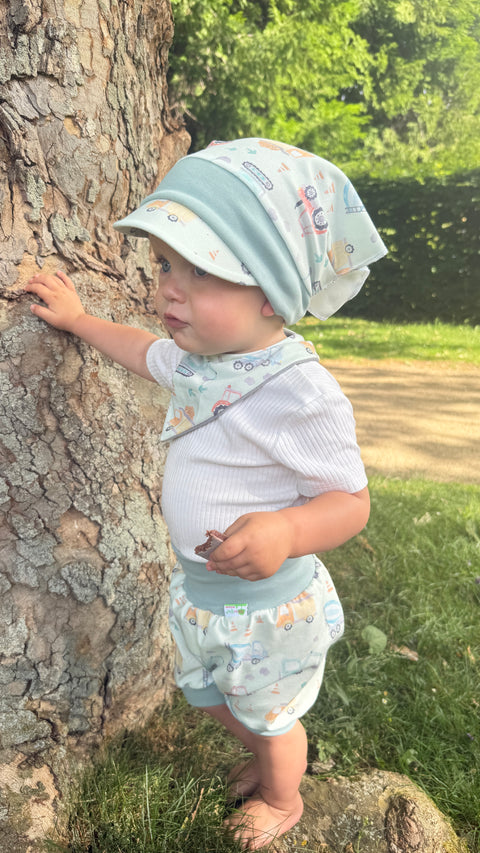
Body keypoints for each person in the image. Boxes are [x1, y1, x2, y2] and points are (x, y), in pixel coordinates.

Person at [24, 137, 387, 850]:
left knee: (271, 718)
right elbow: (137, 349)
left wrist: (286, 531)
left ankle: (283, 795)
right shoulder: (199, 362)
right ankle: (267, 752)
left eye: (201, 271)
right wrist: (76, 319)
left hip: (266, 607)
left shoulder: (300, 390)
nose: (168, 287)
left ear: (271, 290)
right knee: (208, 695)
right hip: (201, 592)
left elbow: (351, 501)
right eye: (165, 264)